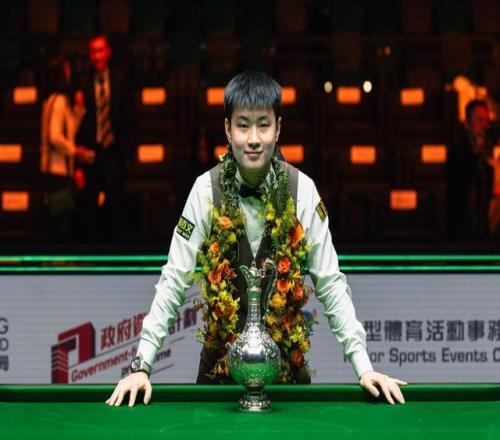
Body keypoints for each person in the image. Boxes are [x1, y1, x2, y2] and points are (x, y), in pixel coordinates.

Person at [107, 71, 407, 407]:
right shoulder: (204, 191)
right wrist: (141, 365)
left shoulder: (303, 191)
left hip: (286, 384)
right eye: (243, 125)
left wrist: (364, 368)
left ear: (278, 128)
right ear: (227, 129)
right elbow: (173, 281)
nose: (253, 138)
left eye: (263, 125)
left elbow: (331, 284)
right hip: (218, 382)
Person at [74, 33, 133, 240]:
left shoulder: (120, 78)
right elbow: (77, 122)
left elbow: (129, 116)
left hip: (114, 150)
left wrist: (127, 151)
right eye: (93, 51)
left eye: (100, 50)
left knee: (114, 204)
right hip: (91, 151)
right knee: (90, 206)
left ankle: (114, 247)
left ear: (108, 52)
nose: (97, 55)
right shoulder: (82, 80)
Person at [40, 54, 87, 239]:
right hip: (57, 174)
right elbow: (54, 137)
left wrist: (79, 110)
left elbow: (69, 131)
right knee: (60, 226)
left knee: (57, 225)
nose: (69, 74)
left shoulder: (51, 101)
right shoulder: (58, 101)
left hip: (55, 173)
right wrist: (74, 151)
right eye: (67, 70)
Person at [447, 99, 494, 239]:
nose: (485, 126)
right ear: (467, 124)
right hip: (460, 237)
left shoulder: (486, 166)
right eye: (480, 120)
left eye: (487, 122)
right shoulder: (456, 155)